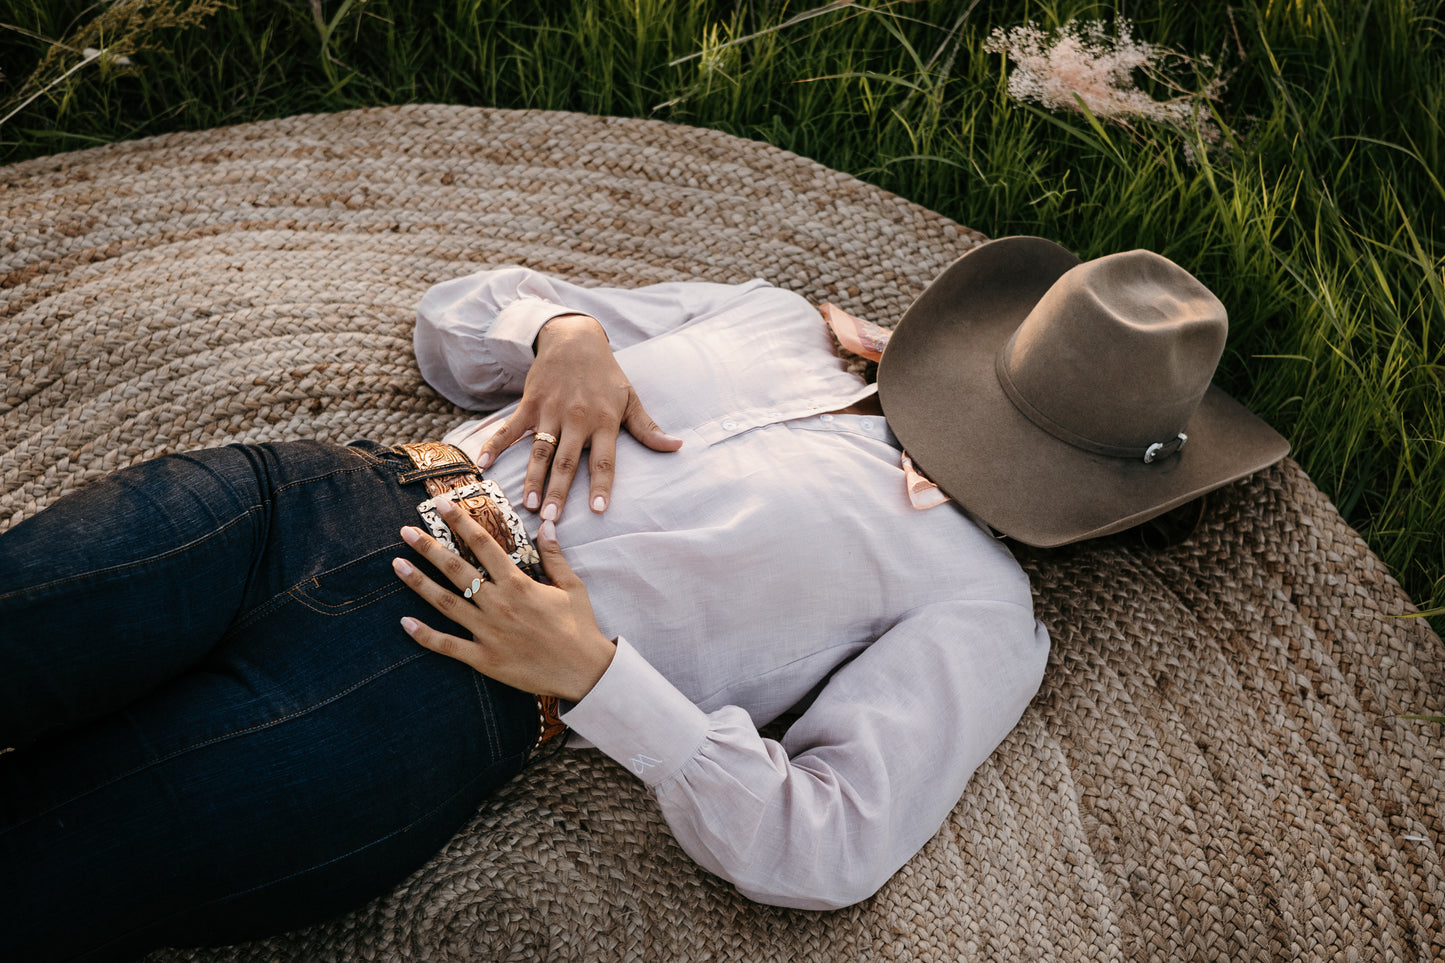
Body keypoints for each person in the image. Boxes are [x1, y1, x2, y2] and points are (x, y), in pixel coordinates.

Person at [0, 236, 1288, 962]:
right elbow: (452, 325)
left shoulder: (978, 609)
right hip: (305, 504)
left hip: (411, 701)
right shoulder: (781, 323)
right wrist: (568, 336)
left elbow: (825, 846)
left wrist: (600, 677)